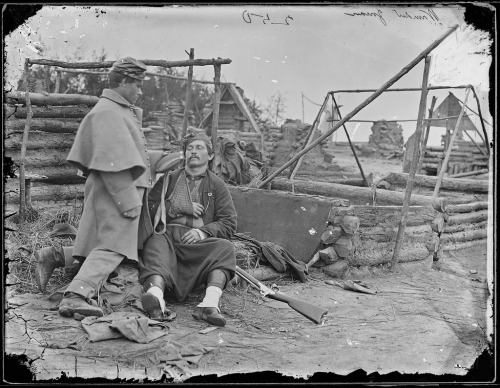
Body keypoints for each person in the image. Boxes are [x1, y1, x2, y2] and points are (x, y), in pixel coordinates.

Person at [35, 57, 182, 318]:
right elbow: (110, 164)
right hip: (118, 191)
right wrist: (128, 201)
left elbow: (125, 153)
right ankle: (76, 296)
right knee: (113, 248)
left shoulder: (116, 110)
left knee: (102, 245)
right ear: (124, 82)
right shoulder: (108, 113)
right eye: (137, 84)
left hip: (115, 189)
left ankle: (60, 265)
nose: (140, 90)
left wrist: (158, 159)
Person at [138, 132, 237, 327]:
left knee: (225, 248)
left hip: (195, 244)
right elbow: (149, 210)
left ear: (210, 156)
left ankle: (209, 304)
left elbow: (229, 222)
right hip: (166, 237)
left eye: (199, 148)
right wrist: (175, 208)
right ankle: (156, 297)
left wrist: (203, 232)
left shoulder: (217, 185)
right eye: (190, 148)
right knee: (154, 243)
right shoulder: (169, 179)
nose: (193, 152)